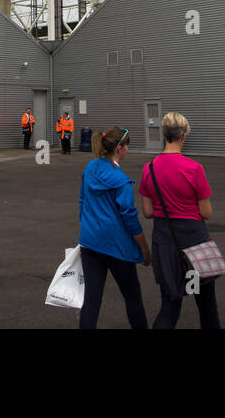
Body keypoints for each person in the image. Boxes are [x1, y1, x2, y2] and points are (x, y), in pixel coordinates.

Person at [139, 112, 222, 329]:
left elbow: (148, 211)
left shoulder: (149, 169)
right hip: (194, 242)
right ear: (183, 136)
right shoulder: (194, 169)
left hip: (165, 242)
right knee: (206, 304)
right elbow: (206, 212)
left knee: (170, 305)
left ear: (164, 135)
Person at [78, 126, 150, 329]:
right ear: (120, 148)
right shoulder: (121, 181)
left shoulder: (91, 168)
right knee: (132, 296)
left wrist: (86, 227)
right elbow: (129, 216)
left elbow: (82, 200)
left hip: (90, 243)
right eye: (127, 146)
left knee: (91, 300)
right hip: (117, 247)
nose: (128, 150)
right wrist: (144, 248)